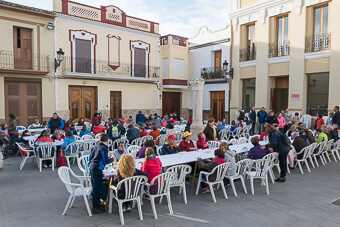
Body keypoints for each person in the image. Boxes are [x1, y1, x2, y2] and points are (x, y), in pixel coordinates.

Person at [89, 134, 114, 214]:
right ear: (106, 140)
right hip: (98, 168)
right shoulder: (104, 148)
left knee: (95, 186)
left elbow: (90, 157)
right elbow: (106, 161)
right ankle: (95, 206)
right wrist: (112, 159)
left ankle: (97, 202)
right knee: (97, 187)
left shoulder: (95, 146)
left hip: (92, 167)